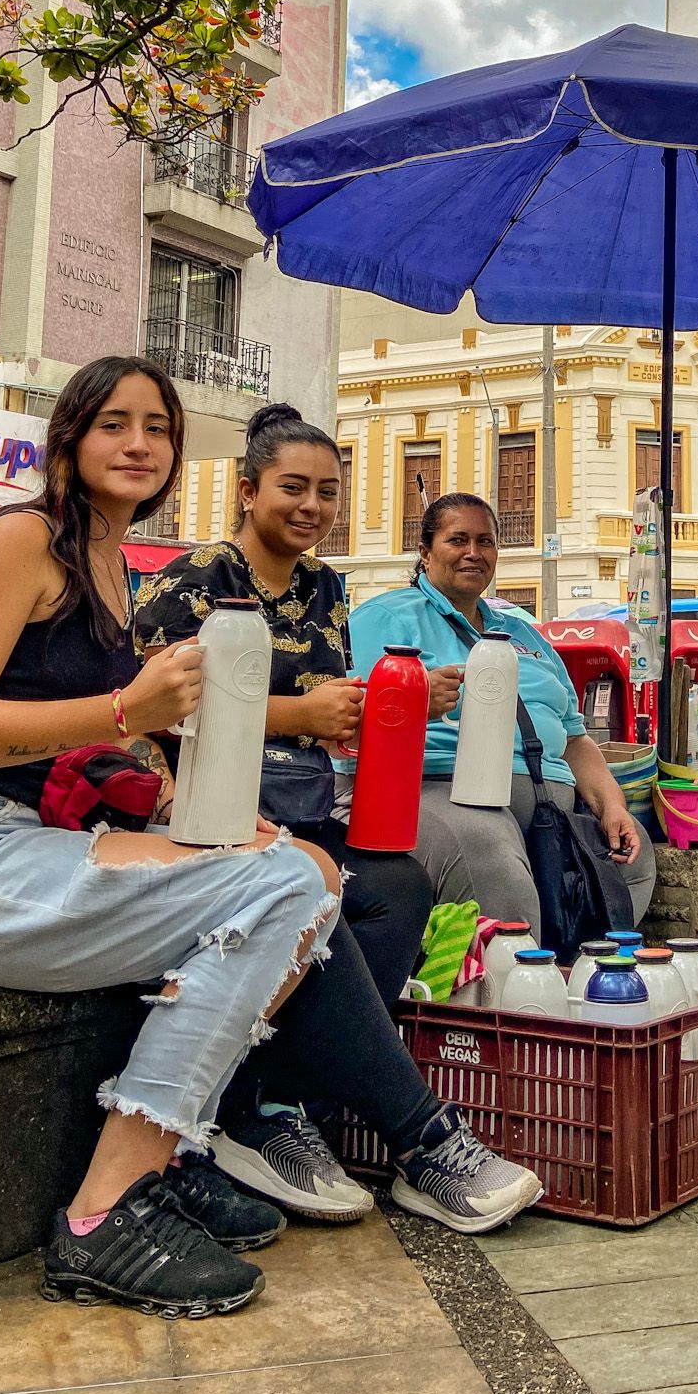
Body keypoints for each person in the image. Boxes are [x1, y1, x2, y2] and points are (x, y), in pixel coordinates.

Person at [0, 357, 540, 1315]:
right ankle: (110, 1208)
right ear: (70, 438)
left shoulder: (108, 562)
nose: (138, 445)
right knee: (290, 884)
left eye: (158, 430)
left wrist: (176, 804)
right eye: (114, 425)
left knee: (299, 872)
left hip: (12, 839)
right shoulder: (23, 539)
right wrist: (127, 706)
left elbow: (87, 752)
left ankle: (200, 1143)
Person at [134, 403, 433, 1010]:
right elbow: (154, 709)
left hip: (306, 802)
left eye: (328, 493)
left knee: (401, 887)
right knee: (319, 899)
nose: (311, 507)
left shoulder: (327, 585)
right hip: (206, 811)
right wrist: (301, 715)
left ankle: (310, 1077)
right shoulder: (196, 578)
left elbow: (326, 699)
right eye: (292, 488)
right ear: (248, 491)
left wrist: (374, 706)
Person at [348, 493, 654, 935]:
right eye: (458, 540)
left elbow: (574, 739)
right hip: (436, 790)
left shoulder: (522, 633)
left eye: (485, 542)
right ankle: (523, 991)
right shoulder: (386, 618)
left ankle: (579, 974)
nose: (473, 553)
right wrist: (415, 700)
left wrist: (612, 806)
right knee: (488, 850)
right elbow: (350, 715)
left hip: (548, 807)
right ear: (425, 551)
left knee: (633, 853)